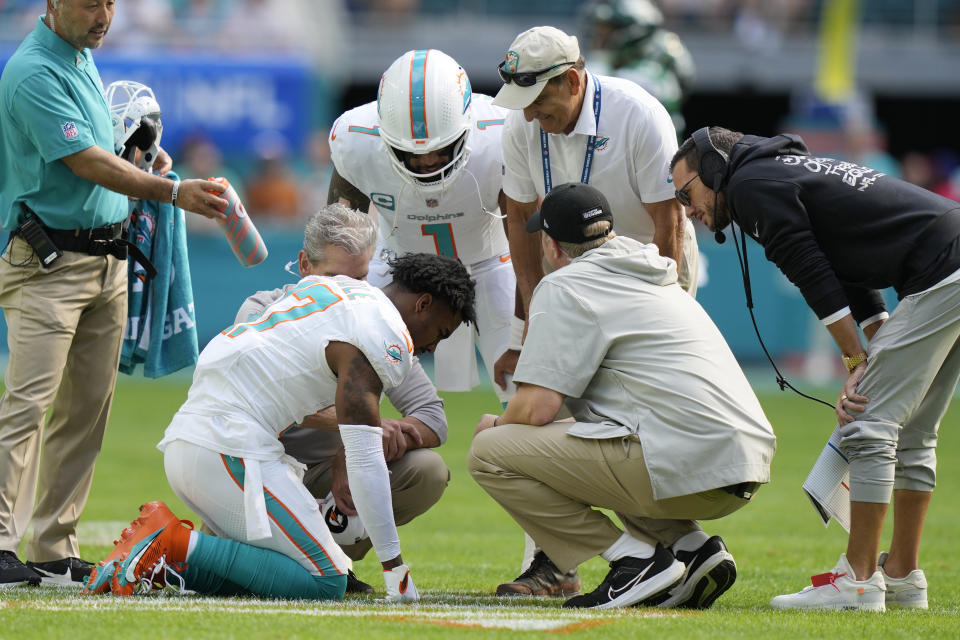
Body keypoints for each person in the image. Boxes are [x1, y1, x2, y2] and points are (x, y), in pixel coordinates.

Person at [670, 126, 960, 611]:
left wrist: (856, 361)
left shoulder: (749, 186)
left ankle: (859, 580)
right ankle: (903, 575)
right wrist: (873, 342)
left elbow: (810, 269)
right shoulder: (775, 171)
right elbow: (844, 266)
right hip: (947, 259)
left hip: (940, 268)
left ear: (716, 169)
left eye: (687, 193)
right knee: (913, 432)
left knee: (869, 421)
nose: (688, 210)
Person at [85, 251, 476, 601]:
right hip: (230, 450)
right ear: (423, 304)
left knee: (271, 573)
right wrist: (395, 569)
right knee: (328, 581)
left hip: (200, 439)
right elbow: (365, 460)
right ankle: (173, 540)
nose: (430, 348)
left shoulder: (342, 290)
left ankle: (149, 562)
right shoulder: (384, 334)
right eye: (440, 334)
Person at [0, 0, 225, 589]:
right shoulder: (33, 71)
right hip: (47, 262)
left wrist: (147, 161)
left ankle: (52, 546)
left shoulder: (78, 58)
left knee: (85, 414)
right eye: (89, 3)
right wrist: (170, 190)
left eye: (109, 2)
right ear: (52, 4)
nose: (103, 14)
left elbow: (111, 153)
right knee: (27, 407)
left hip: (105, 259)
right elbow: (86, 162)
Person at [468, 182, 776, 609]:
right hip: (744, 466)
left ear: (552, 245)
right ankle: (691, 548)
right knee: (603, 434)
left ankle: (633, 560)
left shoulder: (565, 286)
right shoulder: (653, 272)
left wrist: (498, 425)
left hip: (686, 462)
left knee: (489, 451)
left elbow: (536, 408)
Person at [490, 23, 698, 596]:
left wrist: (658, 317)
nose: (530, 116)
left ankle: (682, 546)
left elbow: (669, 225)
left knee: (630, 424)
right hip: (573, 282)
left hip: (653, 277)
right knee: (551, 413)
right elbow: (521, 228)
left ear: (574, 80)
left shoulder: (637, 114)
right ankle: (554, 566)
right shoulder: (520, 124)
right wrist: (529, 323)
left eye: (538, 100)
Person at [235, 204, 451, 594]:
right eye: (333, 277)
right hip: (258, 464)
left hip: (328, 477)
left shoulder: (374, 324)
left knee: (427, 470)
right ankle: (291, 558)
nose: (345, 291)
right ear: (304, 264)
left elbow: (433, 417)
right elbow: (253, 399)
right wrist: (361, 427)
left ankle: (331, 558)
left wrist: (357, 450)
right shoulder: (260, 311)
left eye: (360, 278)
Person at [327, 48, 519, 407]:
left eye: (442, 148)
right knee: (336, 375)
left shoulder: (503, 131)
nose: (428, 160)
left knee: (524, 385)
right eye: (411, 152)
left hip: (492, 260)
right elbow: (339, 230)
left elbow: (523, 232)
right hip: (397, 263)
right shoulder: (355, 138)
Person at [580, 0, 695, 137]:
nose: (600, 36)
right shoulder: (603, 65)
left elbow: (685, 79)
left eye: (607, 29)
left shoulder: (652, 71)